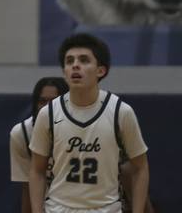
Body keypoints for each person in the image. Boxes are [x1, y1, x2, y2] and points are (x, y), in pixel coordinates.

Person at [28, 34, 150, 213]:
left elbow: (140, 168)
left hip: (107, 208)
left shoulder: (120, 112)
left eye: (84, 60)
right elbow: (37, 171)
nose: (75, 65)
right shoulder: (48, 114)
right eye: (69, 61)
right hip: (58, 208)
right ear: (64, 72)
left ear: (101, 70)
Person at [10, 77, 69, 212]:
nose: (47, 107)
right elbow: (27, 185)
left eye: (54, 101)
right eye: (42, 101)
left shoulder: (83, 129)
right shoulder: (22, 133)